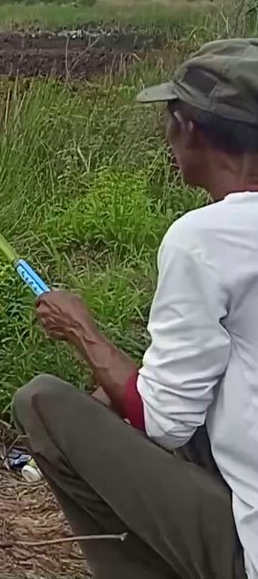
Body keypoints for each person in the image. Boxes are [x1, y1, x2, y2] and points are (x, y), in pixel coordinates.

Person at [15, 37, 258, 579]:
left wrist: (80, 331)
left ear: (190, 129)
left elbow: (162, 421)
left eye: (169, 118)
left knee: (41, 403)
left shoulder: (203, 239)